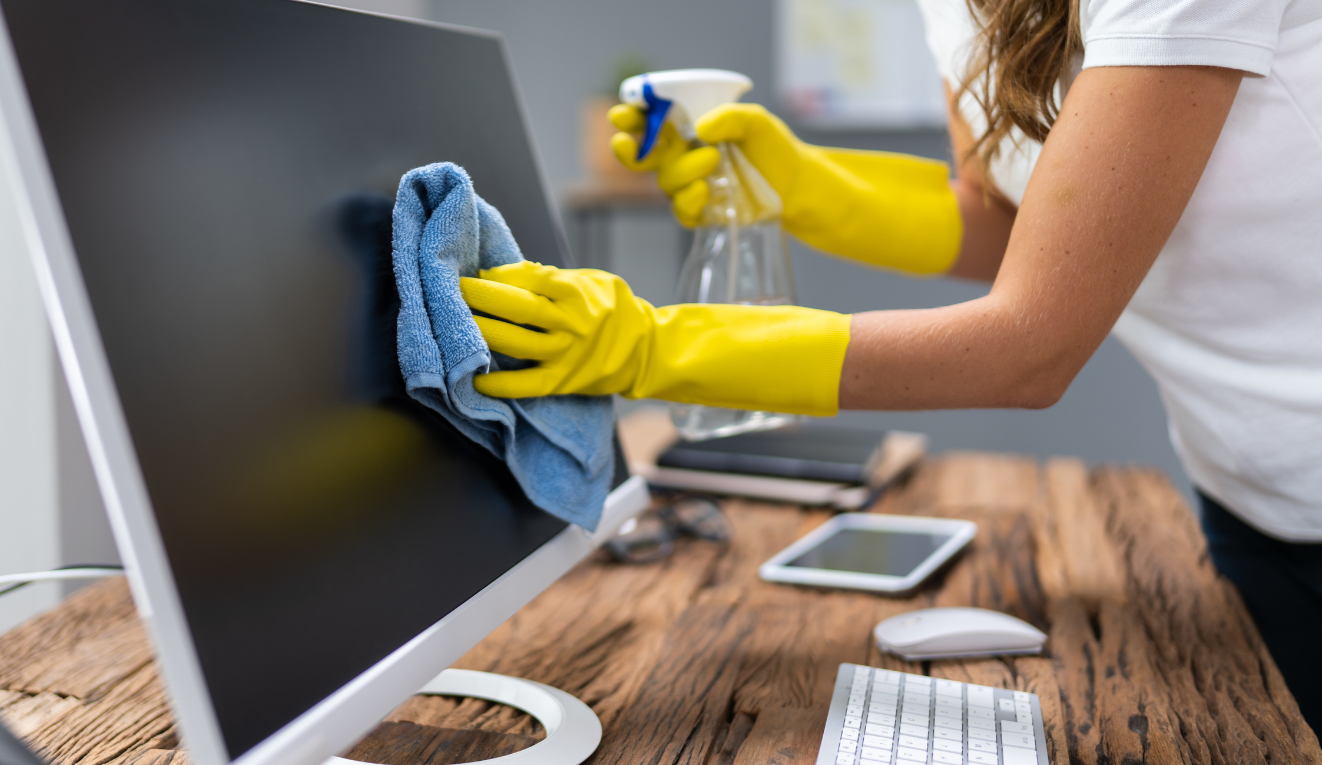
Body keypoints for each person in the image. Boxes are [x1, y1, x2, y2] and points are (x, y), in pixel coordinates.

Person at [458, 0, 1322, 727]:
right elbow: (1004, 221)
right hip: (1249, 490)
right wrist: (802, 181)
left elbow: (1030, 343)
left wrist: (649, 346)